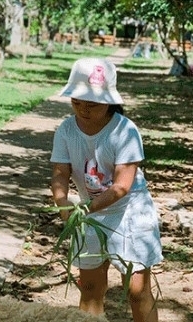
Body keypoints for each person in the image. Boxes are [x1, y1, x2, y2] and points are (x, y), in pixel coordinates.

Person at [50, 58, 163, 322]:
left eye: (92, 104)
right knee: (90, 289)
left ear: (110, 101)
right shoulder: (66, 130)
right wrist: (62, 202)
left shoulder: (125, 131)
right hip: (87, 213)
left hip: (128, 214)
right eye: (77, 103)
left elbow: (122, 186)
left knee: (137, 290)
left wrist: (85, 208)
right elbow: (60, 173)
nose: (83, 110)